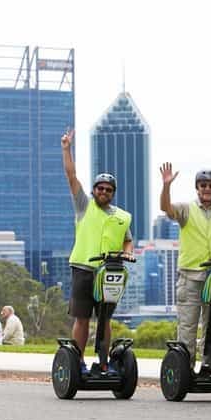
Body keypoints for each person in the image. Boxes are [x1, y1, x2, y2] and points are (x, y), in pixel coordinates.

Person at [62, 128, 133, 375]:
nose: (103, 192)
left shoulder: (123, 216)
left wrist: (128, 253)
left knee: (105, 318)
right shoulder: (83, 205)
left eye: (108, 190)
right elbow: (71, 177)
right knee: (82, 318)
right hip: (83, 268)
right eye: (100, 188)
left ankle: (103, 362)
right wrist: (66, 149)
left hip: (110, 271)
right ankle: (78, 361)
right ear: (94, 190)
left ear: (113, 193)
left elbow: (127, 241)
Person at [159, 163, 211, 370]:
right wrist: (166, 185)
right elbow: (166, 208)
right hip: (190, 277)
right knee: (187, 326)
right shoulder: (187, 209)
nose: (206, 188)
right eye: (203, 185)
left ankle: (209, 364)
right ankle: (185, 368)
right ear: (197, 187)